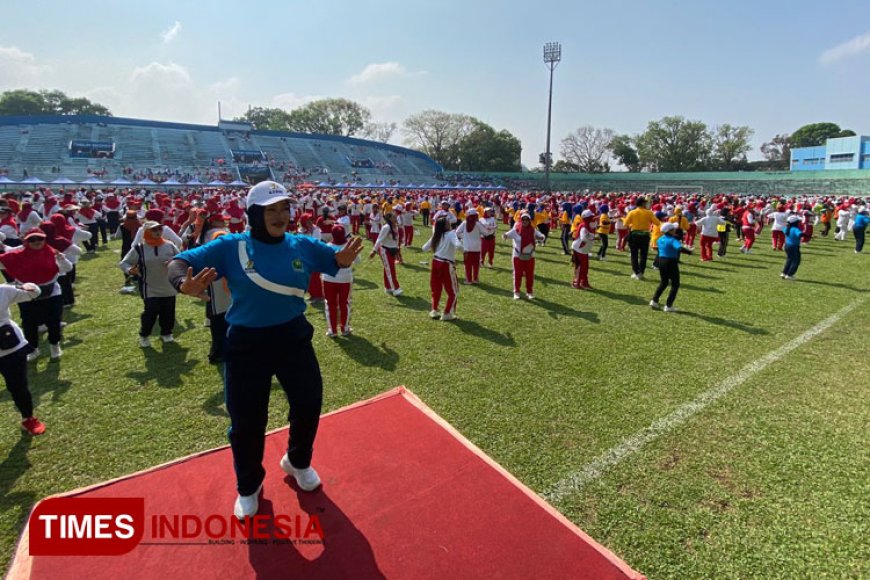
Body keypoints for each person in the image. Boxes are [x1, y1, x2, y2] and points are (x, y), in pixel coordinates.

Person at [167, 181, 363, 519]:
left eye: (284, 208)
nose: (280, 215)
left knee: (308, 403)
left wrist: (341, 259)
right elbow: (178, 262)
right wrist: (182, 283)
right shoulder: (232, 246)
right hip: (246, 343)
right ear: (254, 214)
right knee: (246, 421)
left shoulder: (301, 244)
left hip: (293, 339)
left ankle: (297, 461)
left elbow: (334, 259)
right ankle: (249, 484)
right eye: (270, 209)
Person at [0, 229, 73, 361]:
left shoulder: (53, 253)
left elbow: (67, 268)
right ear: (26, 241)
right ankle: (33, 349)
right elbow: (2, 262)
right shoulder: (16, 255)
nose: (36, 242)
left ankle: (54, 346)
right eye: (32, 240)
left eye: (40, 239)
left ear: (45, 239)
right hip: (27, 294)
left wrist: (61, 260)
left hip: (51, 292)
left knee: (54, 321)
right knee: (29, 323)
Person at [119, 221, 180, 347]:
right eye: (154, 230)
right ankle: (144, 334)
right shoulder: (139, 248)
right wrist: (130, 270)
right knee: (151, 311)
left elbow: (181, 259)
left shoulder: (170, 245)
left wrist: (174, 263)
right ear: (146, 232)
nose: (158, 232)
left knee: (168, 311)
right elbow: (124, 263)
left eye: (159, 229)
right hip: (149, 285)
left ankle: (166, 333)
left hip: (168, 285)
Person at [0, 281, 47, 434]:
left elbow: (33, 293)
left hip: (9, 347)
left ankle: (28, 418)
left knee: (18, 386)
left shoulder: (3, 290)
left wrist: (29, 286)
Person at [321, 225, 360, 336]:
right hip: (345, 279)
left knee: (330, 304)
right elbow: (358, 260)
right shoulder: (350, 246)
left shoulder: (327, 246)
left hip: (328, 278)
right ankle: (345, 328)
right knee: (345, 303)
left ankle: (332, 330)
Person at [422, 214, 462, 320]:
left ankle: (434, 310)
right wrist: (465, 249)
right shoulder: (451, 234)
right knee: (453, 291)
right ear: (445, 225)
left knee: (436, 288)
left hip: (435, 262)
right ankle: (447, 313)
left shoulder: (436, 234)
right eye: (448, 222)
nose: (450, 223)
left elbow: (424, 248)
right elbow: (458, 245)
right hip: (446, 264)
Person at [650, 222, 693, 312]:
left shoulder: (660, 239)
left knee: (664, 282)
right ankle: (668, 306)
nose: (675, 230)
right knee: (675, 284)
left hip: (661, 261)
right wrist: (689, 252)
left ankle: (654, 300)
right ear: (669, 231)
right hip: (671, 262)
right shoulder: (673, 240)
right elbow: (679, 248)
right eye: (673, 229)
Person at [503, 211, 545, 300]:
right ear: (521, 220)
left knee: (530, 274)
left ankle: (529, 292)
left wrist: (541, 237)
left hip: (530, 256)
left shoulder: (533, 229)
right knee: (518, 274)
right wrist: (505, 236)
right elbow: (507, 234)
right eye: (523, 219)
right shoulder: (516, 229)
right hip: (518, 256)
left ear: (529, 221)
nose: (525, 221)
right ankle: (516, 292)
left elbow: (541, 235)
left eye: (527, 219)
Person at [622, 197, 660, 279]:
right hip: (645, 236)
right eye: (645, 203)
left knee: (634, 255)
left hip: (634, 235)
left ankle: (636, 272)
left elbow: (625, 224)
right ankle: (641, 272)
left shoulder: (632, 212)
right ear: (642, 203)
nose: (647, 204)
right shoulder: (649, 212)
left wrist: (633, 224)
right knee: (643, 255)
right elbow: (657, 222)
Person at [370, 211, 402, 296]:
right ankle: (395, 288)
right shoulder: (386, 227)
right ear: (390, 218)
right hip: (385, 250)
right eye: (394, 217)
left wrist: (397, 250)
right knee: (390, 269)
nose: (396, 218)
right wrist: (374, 250)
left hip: (392, 250)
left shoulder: (395, 227)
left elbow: (396, 240)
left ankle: (388, 287)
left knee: (388, 268)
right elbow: (379, 239)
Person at [456, 208, 483, 284]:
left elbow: (457, 232)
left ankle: (468, 280)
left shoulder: (464, 223)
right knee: (476, 265)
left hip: (467, 247)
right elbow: (485, 232)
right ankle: (475, 279)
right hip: (477, 247)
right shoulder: (478, 224)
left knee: (467, 265)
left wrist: (463, 237)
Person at [571, 210, 595, 289]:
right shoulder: (584, 226)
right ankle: (576, 283)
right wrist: (593, 237)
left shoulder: (587, 225)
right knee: (581, 267)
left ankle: (583, 282)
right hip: (579, 249)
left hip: (583, 249)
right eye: (591, 217)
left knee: (584, 267)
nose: (592, 218)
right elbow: (583, 238)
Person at [781, 215, 803, 280]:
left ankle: (784, 273)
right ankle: (789, 275)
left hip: (787, 245)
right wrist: (807, 235)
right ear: (795, 223)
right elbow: (799, 234)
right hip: (794, 246)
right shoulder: (795, 229)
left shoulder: (787, 228)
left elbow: (784, 230)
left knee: (789, 259)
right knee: (796, 261)